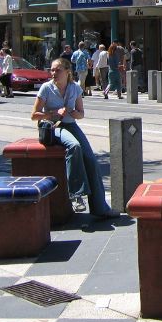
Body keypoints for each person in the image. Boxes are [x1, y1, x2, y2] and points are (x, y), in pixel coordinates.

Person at [31, 58, 118, 219]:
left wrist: (71, 112)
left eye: (57, 70)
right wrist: (54, 113)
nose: (53, 73)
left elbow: (81, 114)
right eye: (52, 70)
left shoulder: (75, 88)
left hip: (71, 125)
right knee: (74, 146)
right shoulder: (46, 88)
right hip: (53, 127)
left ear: (67, 72)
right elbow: (34, 115)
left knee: (91, 160)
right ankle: (76, 194)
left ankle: (100, 208)